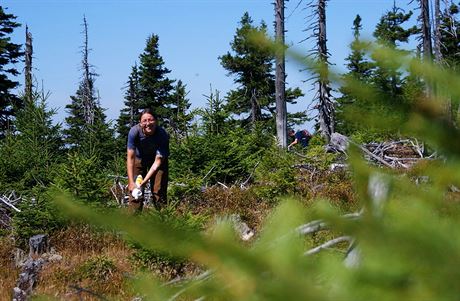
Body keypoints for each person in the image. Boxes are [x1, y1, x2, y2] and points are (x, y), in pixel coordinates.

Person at [127, 108, 169, 211]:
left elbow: (157, 162)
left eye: (151, 120)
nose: (148, 123)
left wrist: (145, 181)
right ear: (140, 123)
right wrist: (131, 182)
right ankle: (132, 223)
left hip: (157, 162)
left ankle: (162, 220)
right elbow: (130, 157)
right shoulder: (134, 132)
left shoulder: (162, 135)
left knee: (158, 192)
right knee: (135, 192)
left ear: (156, 121)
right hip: (138, 159)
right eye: (144, 121)